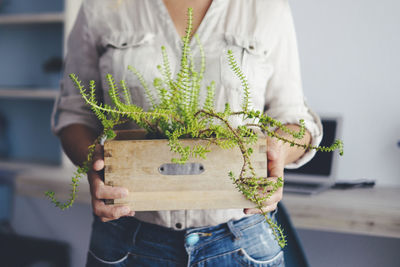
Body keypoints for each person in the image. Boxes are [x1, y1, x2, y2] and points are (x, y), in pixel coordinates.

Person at [52, 0, 322, 266]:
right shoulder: (101, 7)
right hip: (127, 238)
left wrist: (279, 150)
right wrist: (94, 161)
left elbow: (295, 118)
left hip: (241, 240)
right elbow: (75, 115)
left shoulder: (266, 8)